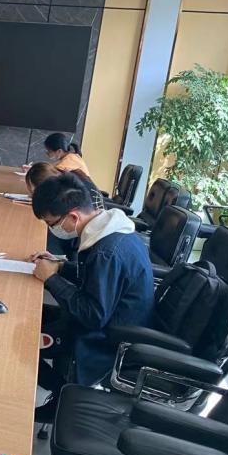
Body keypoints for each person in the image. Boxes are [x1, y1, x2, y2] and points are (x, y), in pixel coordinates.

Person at [28, 173, 153, 423]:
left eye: (52, 223)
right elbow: (95, 279)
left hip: (107, 337)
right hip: (110, 318)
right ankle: (63, 393)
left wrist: (51, 279)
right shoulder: (111, 231)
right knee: (31, 315)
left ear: (73, 217)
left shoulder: (106, 252)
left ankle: (64, 398)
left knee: (25, 339)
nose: (52, 230)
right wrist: (60, 266)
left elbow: (93, 316)